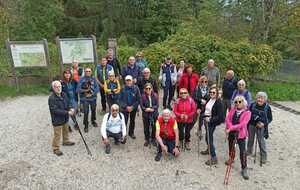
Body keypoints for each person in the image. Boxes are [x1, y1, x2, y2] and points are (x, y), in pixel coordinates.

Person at [225, 96, 251, 180]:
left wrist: (231, 127)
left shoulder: (247, 113)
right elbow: (227, 119)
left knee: (243, 151)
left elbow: (243, 124)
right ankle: (231, 158)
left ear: (244, 103)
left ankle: (244, 168)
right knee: (231, 146)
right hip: (231, 133)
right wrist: (230, 126)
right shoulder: (232, 110)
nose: (238, 103)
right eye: (236, 102)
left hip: (241, 134)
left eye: (240, 102)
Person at [48, 80, 75, 156]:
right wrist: (67, 112)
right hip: (57, 120)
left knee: (65, 130)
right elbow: (55, 110)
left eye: (59, 86)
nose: (58, 88)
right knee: (57, 134)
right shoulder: (51, 98)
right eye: (56, 87)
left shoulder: (64, 94)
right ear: (53, 88)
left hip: (65, 118)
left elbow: (68, 103)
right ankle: (55, 148)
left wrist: (71, 108)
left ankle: (66, 141)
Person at [200, 86, 224, 165]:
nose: (212, 94)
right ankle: (209, 149)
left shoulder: (219, 102)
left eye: (214, 92)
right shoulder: (209, 99)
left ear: (217, 93)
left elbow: (220, 116)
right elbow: (206, 109)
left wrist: (210, 119)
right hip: (206, 120)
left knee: (208, 138)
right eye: (210, 92)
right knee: (207, 137)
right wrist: (201, 111)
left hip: (211, 122)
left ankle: (214, 157)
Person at [247, 92, 272, 164]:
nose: (260, 99)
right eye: (258, 98)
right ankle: (249, 151)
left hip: (260, 126)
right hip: (251, 125)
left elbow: (270, 118)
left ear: (265, 100)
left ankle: (263, 156)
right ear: (256, 98)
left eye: (262, 98)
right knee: (250, 139)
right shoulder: (252, 105)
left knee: (261, 141)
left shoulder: (267, 107)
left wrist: (263, 124)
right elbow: (248, 113)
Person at [77, 67, 99, 133]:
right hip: (85, 99)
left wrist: (92, 94)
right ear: (85, 72)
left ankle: (93, 121)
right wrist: (85, 91)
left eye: (89, 71)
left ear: (91, 72)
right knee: (86, 112)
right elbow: (77, 89)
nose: (88, 72)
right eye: (87, 71)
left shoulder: (94, 79)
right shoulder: (81, 79)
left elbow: (97, 88)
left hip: (93, 98)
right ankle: (86, 125)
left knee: (93, 110)